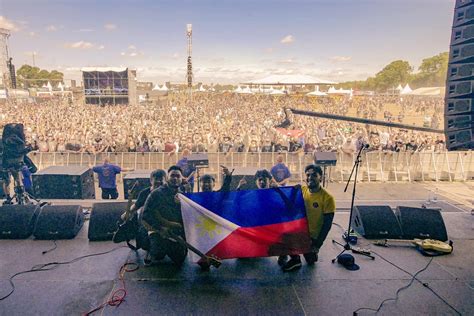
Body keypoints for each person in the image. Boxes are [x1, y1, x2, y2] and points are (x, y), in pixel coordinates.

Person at [281, 164, 335, 272]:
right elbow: (288, 204)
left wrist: (318, 244)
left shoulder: (328, 198)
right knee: (283, 231)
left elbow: (327, 225)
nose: (310, 177)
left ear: (321, 177)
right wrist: (279, 191)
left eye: (314, 175)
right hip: (299, 232)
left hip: (312, 237)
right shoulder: (302, 190)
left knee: (311, 261)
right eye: (308, 175)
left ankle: (308, 251)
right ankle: (295, 259)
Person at [141, 165, 187, 266]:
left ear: (181, 179)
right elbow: (145, 215)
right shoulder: (156, 194)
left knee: (180, 259)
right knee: (158, 255)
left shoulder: (184, 196)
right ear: (167, 178)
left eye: (178, 176)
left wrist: (182, 204)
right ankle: (150, 246)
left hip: (175, 233)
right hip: (159, 231)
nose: (175, 178)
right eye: (172, 176)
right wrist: (160, 228)